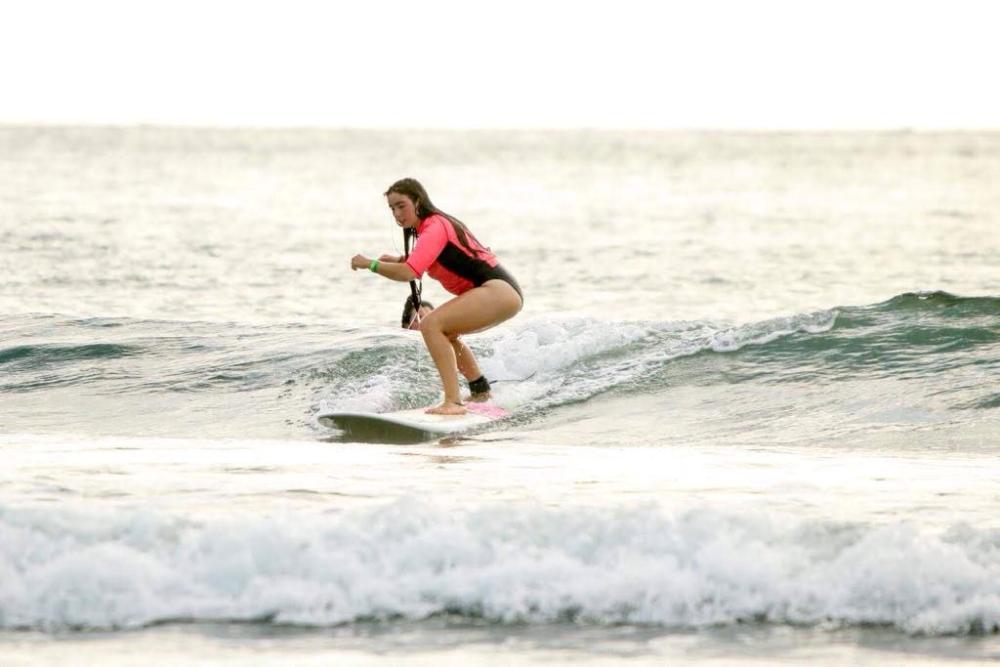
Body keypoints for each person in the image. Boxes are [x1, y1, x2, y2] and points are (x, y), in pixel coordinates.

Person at [351, 178, 523, 415]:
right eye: (392, 209)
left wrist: (370, 264)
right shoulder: (430, 230)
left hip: (498, 290)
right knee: (446, 331)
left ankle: (453, 402)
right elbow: (431, 260)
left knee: (431, 324)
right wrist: (399, 260)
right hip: (500, 293)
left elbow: (410, 272)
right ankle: (480, 389)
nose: (397, 214)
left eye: (402, 206)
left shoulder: (434, 226)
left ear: (418, 201)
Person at [399, 296, 492, 403]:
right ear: (407, 326)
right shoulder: (402, 351)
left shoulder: (452, 346)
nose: (425, 324)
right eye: (418, 318)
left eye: (429, 318)